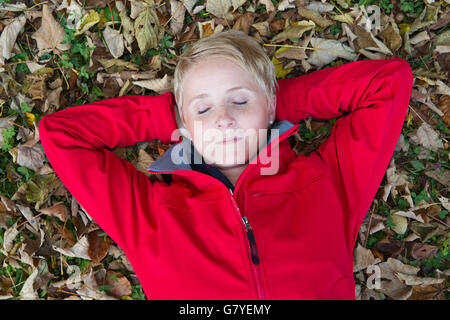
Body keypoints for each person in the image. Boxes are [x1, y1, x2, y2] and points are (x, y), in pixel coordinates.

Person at [38, 29, 414, 299]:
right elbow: (62, 135)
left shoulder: (325, 183)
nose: (223, 119)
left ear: (270, 104)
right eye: (203, 108)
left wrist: (270, 104)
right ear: (182, 123)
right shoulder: (148, 214)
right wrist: (170, 118)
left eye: (239, 101)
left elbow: (388, 83)